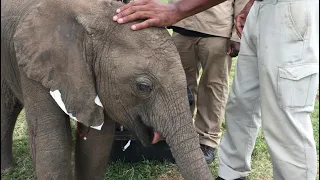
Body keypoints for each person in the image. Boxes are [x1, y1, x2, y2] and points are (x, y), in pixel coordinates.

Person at [113, 0, 319, 179]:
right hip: (260, 8)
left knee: (284, 114)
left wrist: (177, 9)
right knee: (242, 103)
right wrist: (252, 4)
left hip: (289, 9)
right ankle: (232, 174)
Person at [167, 0, 248, 164]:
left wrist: (237, 35)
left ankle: (207, 141)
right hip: (182, 25)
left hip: (217, 29)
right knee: (178, 86)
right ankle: (182, 138)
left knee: (213, 87)